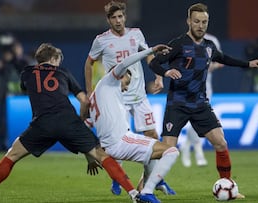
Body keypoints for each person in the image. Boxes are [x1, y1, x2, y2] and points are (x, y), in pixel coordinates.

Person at [0, 43, 140, 203]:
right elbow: (85, 101)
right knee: (102, 156)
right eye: (58, 60)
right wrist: (79, 121)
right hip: (68, 120)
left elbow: (25, 89)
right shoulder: (63, 72)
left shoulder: (26, 72)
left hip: (42, 123)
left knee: (11, 155)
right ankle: (134, 194)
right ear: (54, 59)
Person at [148, 3, 258, 199]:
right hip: (177, 104)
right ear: (188, 22)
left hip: (200, 104)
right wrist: (166, 72)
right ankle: (146, 183)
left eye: (204, 22)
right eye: (196, 22)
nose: (200, 25)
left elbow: (224, 58)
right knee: (166, 150)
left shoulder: (209, 47)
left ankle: (227, 185)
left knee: (220, 142)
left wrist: (247, 64)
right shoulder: (178, 44)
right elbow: (154, 62)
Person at [84, 0, 175, 196]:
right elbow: (89, 63)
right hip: (117, 98)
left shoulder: (136, 34)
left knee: (153, 136)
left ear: (125, 17)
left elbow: (148, 56)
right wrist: (90, 90)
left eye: (120, 16)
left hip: (139, 94)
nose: (118, 20)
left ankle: (151, 181)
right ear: (108, 20)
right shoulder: (101, 40)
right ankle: (117, 179)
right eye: (114, 17)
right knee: (118, 142)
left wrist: (158, 76)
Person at [88, 44, 178, 203]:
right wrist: (151, 51)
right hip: (122, 142)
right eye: (126, 83)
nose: (126, 88)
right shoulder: (110, 81)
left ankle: (145, 188)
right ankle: (147, 192)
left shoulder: (98, 97)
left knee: (152, 151)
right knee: (171, 151)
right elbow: (125, 63)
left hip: (110, 147)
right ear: (119, 77)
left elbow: (87, 122)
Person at [180, 33, 224, 167]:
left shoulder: (212, 40)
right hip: (188, 86)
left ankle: (187, 147)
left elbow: (220, 62)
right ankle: (198, 152)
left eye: (203, 21)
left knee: (198, 117)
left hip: (205, 87)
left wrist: (209, 66)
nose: (200, 25)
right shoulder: (184, 41)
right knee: (193, 117)